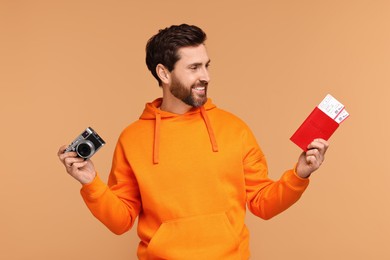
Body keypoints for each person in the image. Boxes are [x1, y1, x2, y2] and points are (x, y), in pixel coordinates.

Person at [58, 24, 329, 259]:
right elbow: (120, 221)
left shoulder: (234, 129)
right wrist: (90, 183)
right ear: (164, 74)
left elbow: (263, 203)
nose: (206, 76)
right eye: (194, 67)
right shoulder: (133, 139)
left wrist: (299, 175)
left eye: (206, 65)